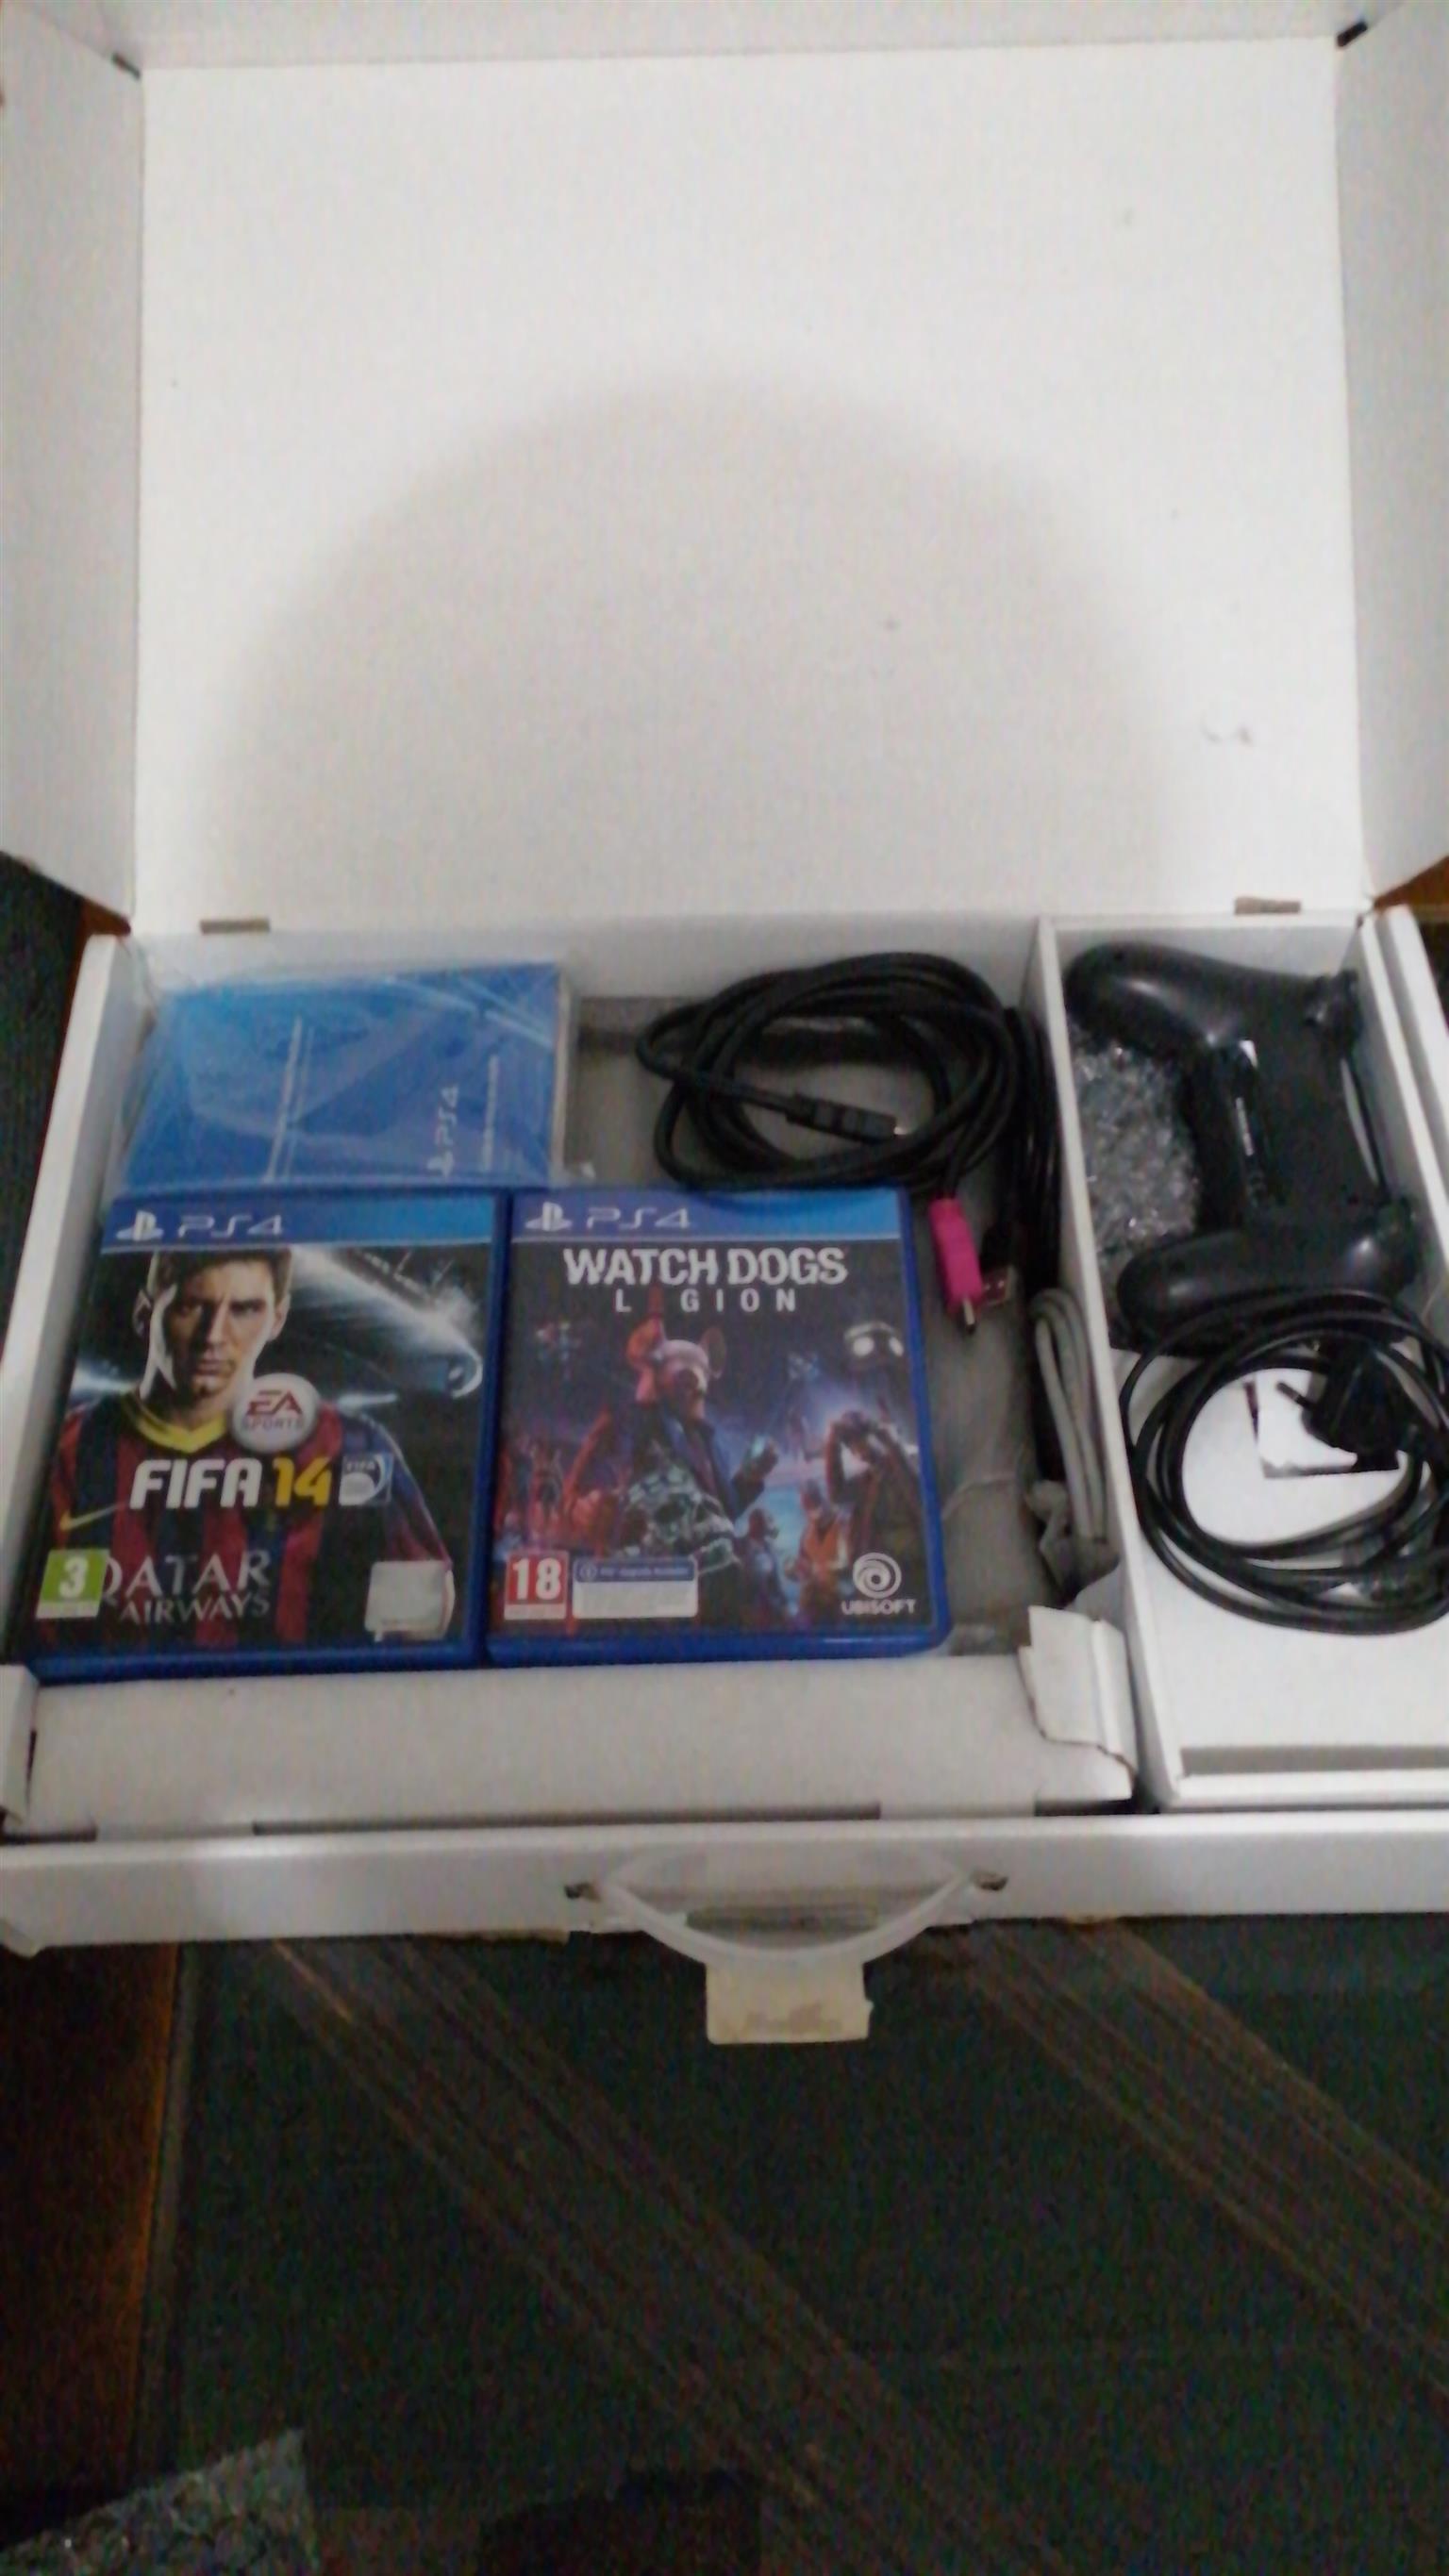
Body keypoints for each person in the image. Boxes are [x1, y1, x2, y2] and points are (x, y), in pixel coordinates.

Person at [37, 1246, 454, 1654]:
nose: (213, 1337)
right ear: (144, 1314)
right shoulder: (68, 1451)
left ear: (277, 1319)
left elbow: (424, 1599)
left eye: (244, 1310)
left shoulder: (349, 1446)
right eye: (190, 1306)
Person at [790, 1479, 848, 1625]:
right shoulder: (807, 1532)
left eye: (808, 1503)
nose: (805, 1509)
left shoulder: (841, 1524)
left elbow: (848, 1563)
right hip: (812, 1599)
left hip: (837, 1597)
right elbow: (803, 1559)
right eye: (804, 1505)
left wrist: (817, 1568)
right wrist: (800, 1568)